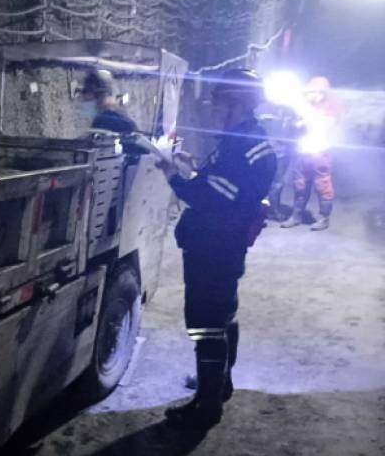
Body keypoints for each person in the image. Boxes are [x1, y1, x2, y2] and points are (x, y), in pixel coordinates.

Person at [157, 69, 277, 427]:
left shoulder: (243, 146)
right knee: (223, 316)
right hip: (222, 246)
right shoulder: (243, 140)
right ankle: (219, 384)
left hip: (214, 247)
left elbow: (213, 197)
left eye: (218, 103)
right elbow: (222, 185)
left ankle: (206, 406)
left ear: (236, 104)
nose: (213, 110)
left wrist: (173, 174)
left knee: (205, 324)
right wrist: (194, 167)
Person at [281, 76, 338, 231]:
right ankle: (296, 216)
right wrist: (296, 122)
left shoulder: (329, 110)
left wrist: (306, 118)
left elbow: (325, 126)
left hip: (320, 152)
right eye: (310, 92)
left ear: (323, 93)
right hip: (302, 151)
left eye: (314, 92)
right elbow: (294, 126)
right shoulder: (304, 108)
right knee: (300, 184)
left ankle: (324, 218)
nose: (310, 95)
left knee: (322, 185)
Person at [80, 69, 138, 134]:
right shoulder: (123, 121)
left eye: (86, 100)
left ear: (100, 96)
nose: (83, 103)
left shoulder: (103, 122)